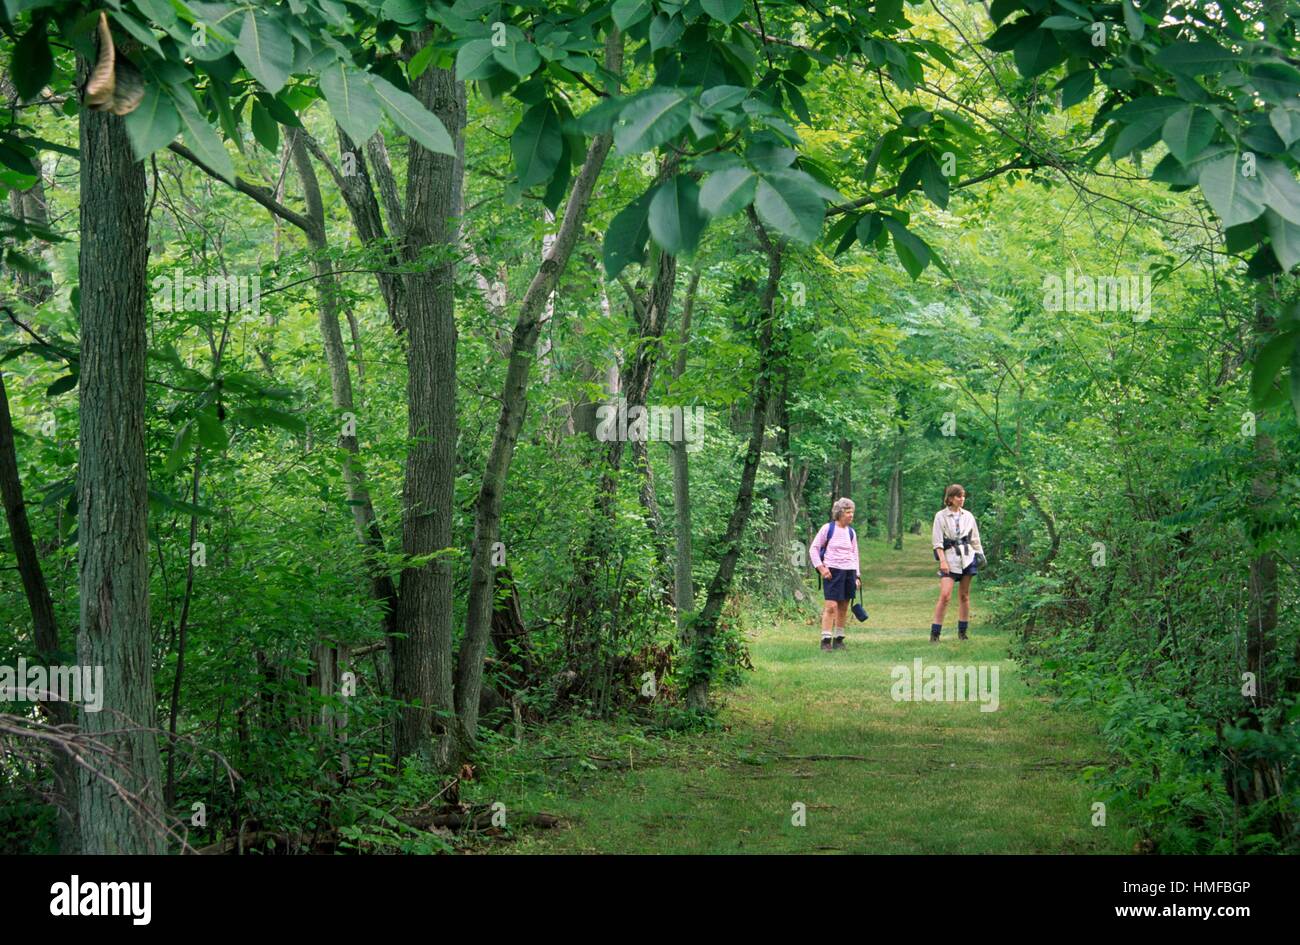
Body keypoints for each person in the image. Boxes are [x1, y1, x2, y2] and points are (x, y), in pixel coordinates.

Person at [930, 484, 983, 642]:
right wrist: (942, 561)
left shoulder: (969, 516)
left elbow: (975, 539)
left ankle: (962, 632)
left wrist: (980, 556)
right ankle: (935, 634)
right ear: (951, 498)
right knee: (945, 595)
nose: (962, 499)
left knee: (964, 595)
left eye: (963, 496)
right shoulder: (941, 516)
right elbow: (937, 542)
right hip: (950, 557)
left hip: (967, 557)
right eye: (959, 496)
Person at [809, 497, 862, 651]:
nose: (851, 515)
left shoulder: (851, 532)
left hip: (849, 571)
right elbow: (814, 549)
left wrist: (857, 576)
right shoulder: (827, 528)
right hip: (832, 571)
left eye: (852, 512)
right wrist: (821, 568)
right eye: (847, 512)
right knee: (831, 606)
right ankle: (825, 640)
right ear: (839, 513)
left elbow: (855, 554)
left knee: (844, 606)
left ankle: (839, 640)